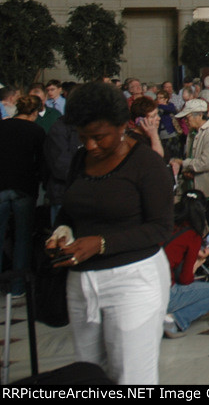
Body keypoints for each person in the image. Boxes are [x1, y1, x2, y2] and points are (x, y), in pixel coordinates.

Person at [46, 82, 173, 385]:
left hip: (133, 281)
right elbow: (71, 210)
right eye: (83, 136)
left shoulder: (147, 165)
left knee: (131, 376)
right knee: (89, 374)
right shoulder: (80, 160)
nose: (90, 145)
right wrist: (61, 233)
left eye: (99, 136)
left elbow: (160, 228)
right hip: (82, 282)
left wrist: (101, 244)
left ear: (122, 126)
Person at [162, 190, 209, 338]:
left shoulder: (166, 224)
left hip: (143, 288)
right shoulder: (192, 235)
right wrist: (200, 261)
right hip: (165, 294)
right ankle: (175, 321)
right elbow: (186, 280)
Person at [0, 94, 46, 296]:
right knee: (22, 238)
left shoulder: (3, 126)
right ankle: (18, 286)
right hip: (25, 187)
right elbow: (43, 162)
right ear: (35, 112)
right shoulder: (36, 131)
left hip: (1, 185)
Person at [172, 98, 209, 246]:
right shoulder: (193, 134)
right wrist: (187, 171)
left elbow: (204, 163)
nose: (185, 121)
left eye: (187, 117)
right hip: (200, 188)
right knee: (208, 231)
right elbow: (193, 158)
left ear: (199, 115)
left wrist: (182, 164)